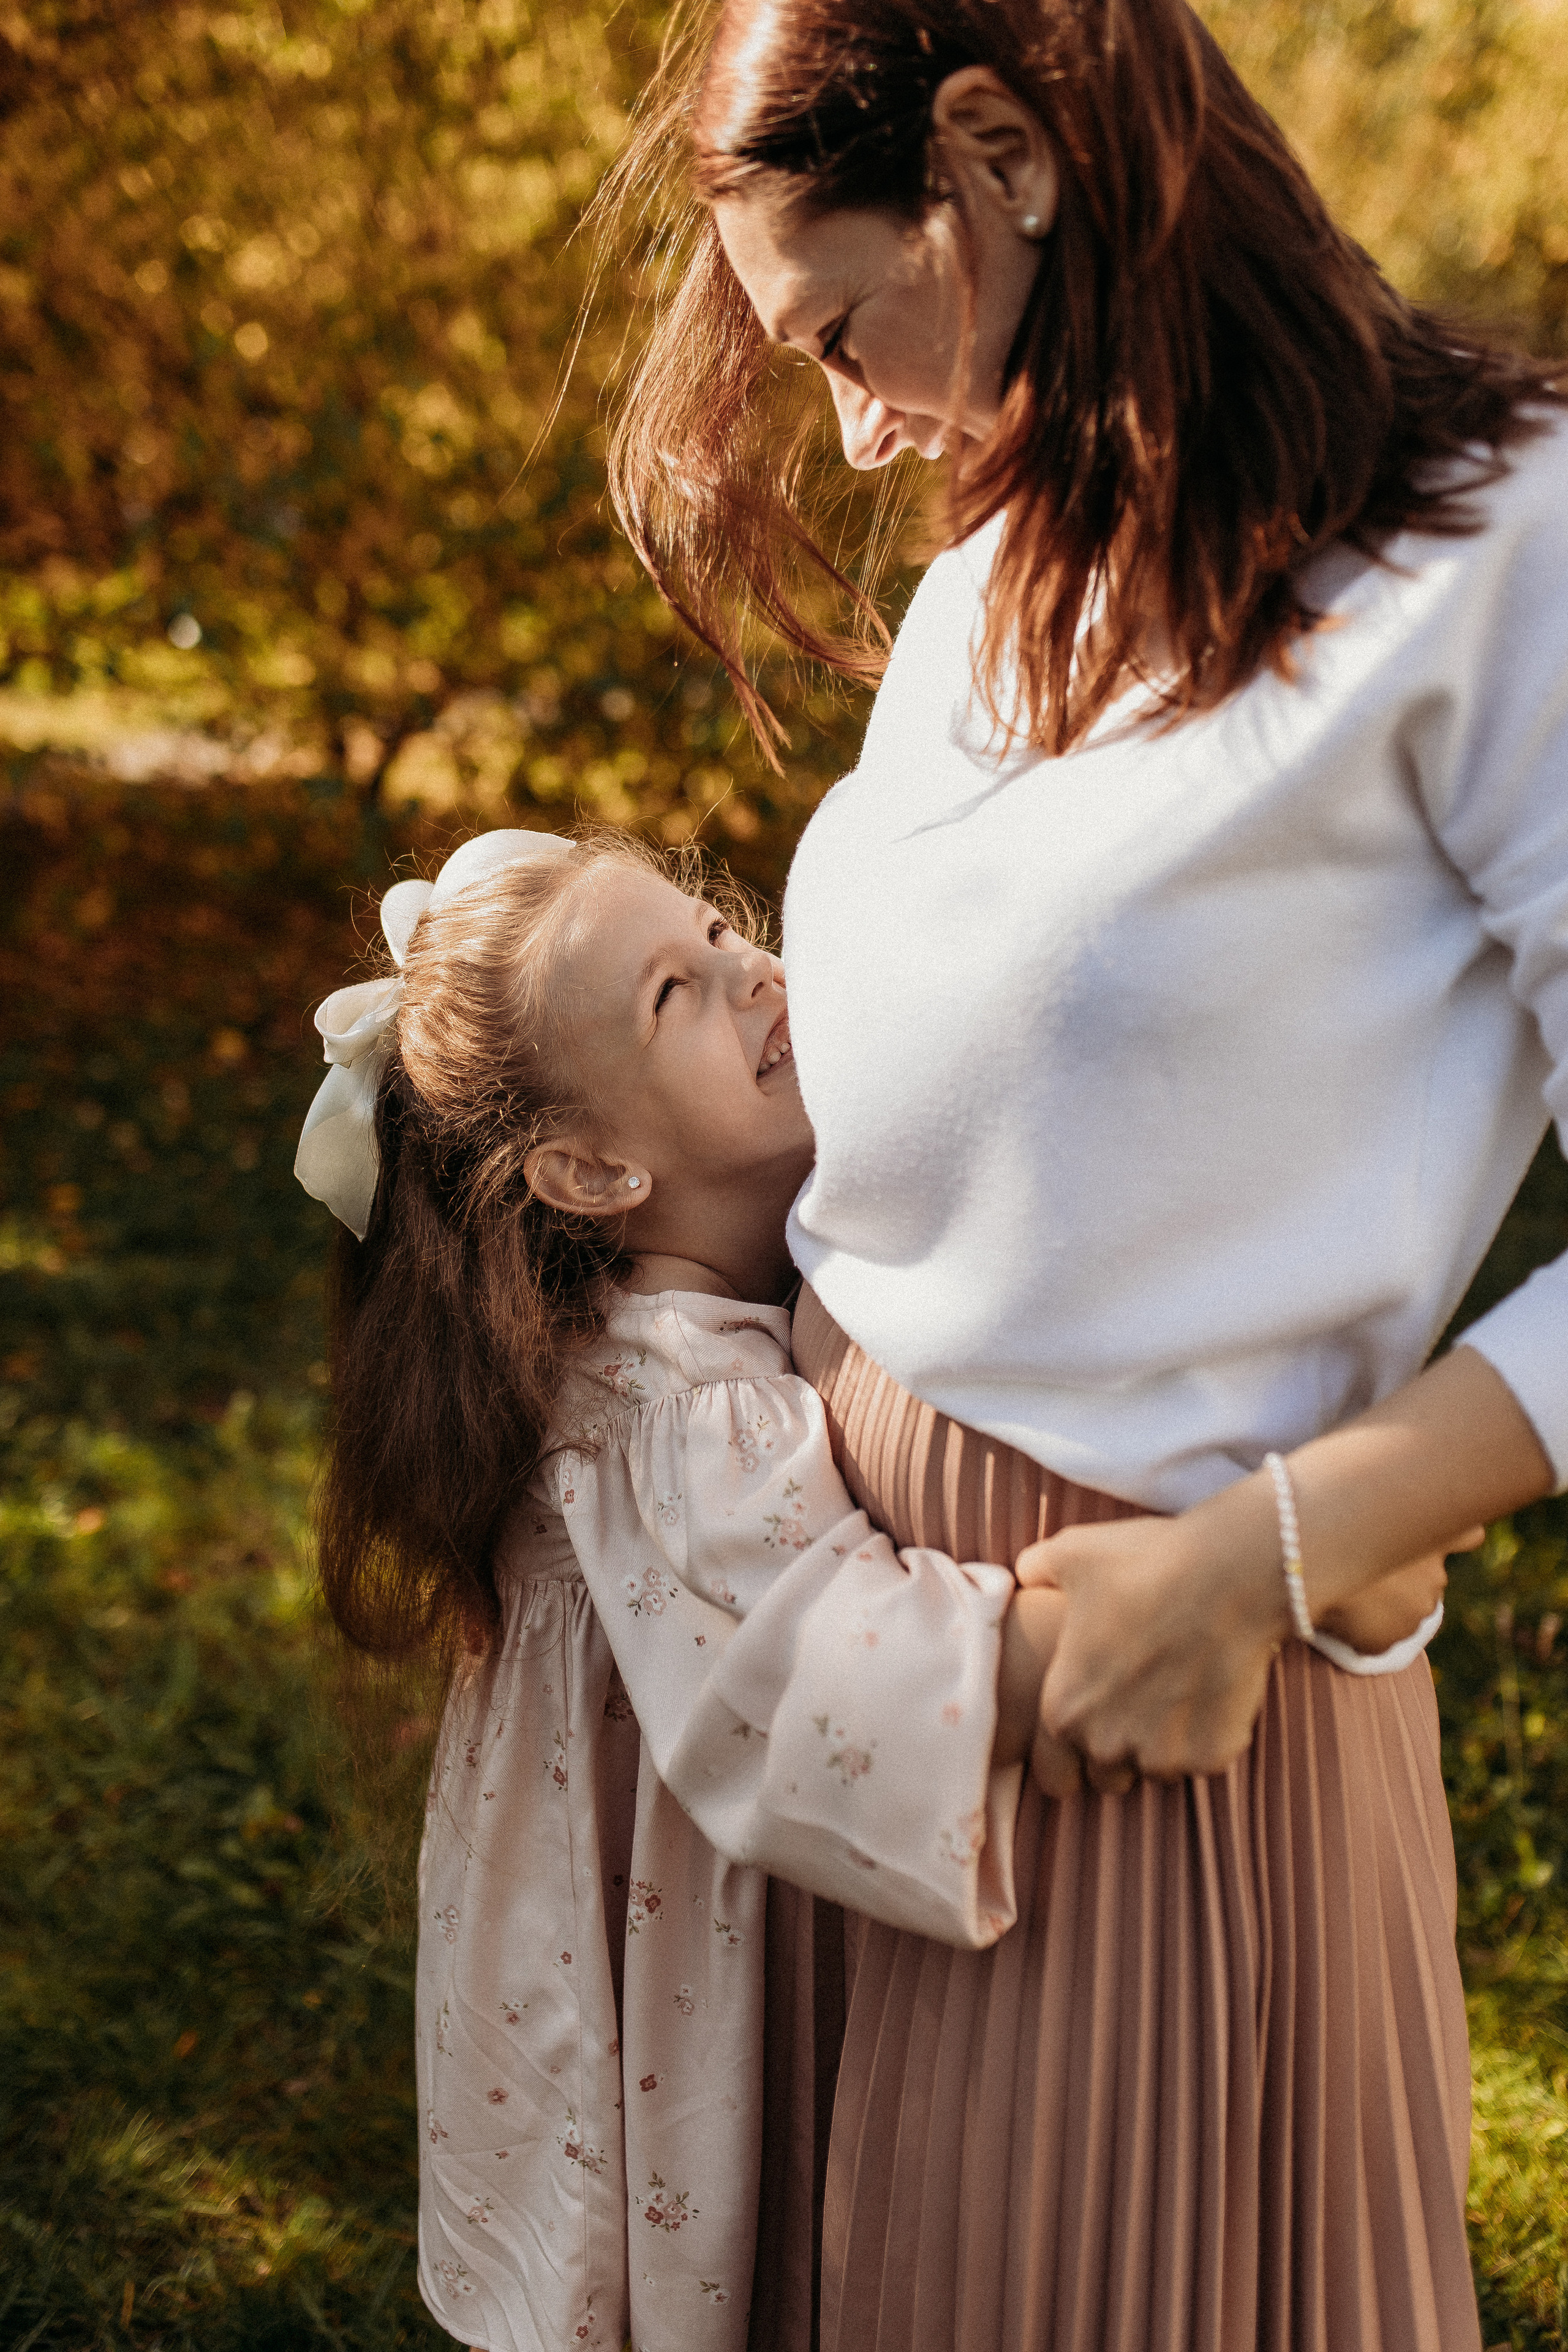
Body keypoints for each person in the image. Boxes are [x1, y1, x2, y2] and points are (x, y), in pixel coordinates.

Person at [606, 1, 1568, 2345]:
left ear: (1000, 153)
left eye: (845, 326)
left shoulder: (1496, 550)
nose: (846, 420)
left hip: (1141, 1709)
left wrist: (1253, 1568)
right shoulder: (1006, 548)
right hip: (866, 1692)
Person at [296, 825, 1082, 2350]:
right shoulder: (674, 1418)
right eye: (681, 990)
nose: (759, 971)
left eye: (723, 935)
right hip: (660, 1956)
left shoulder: (662, 1330)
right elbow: (815, 1686)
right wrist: (1093, 1632)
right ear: (592, 1169)